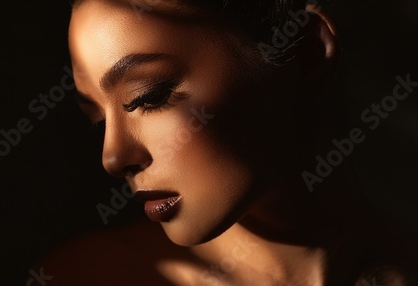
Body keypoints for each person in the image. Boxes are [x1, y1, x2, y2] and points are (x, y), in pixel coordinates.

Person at [37, 0, 417, 285]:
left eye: (147, 97)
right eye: (98, 119)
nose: (114, 156)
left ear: (306, 52)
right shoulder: (95, 276)